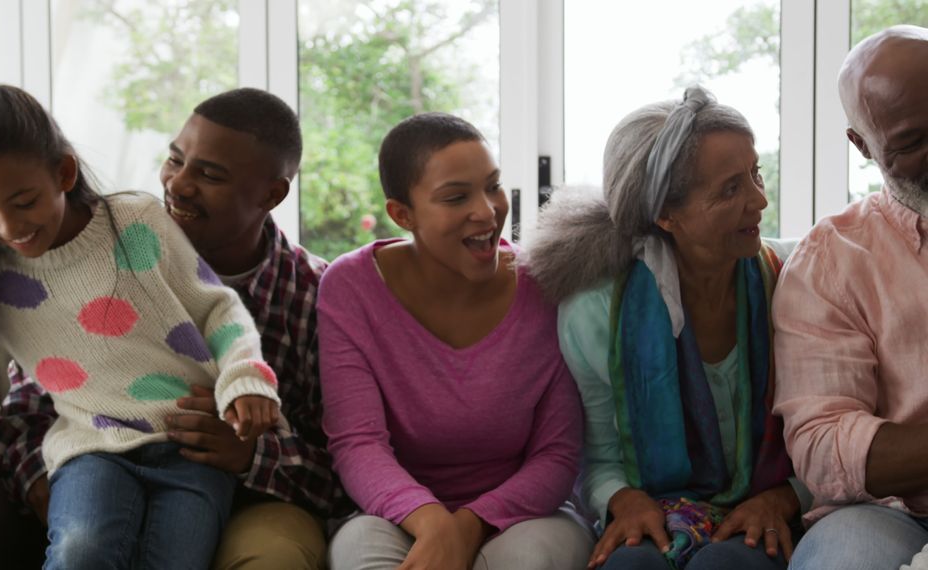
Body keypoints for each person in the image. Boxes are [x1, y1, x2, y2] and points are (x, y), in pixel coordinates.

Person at [0, 67, 281, 569]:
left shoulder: (138, 222)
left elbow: (220, 309)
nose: (10, 226)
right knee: (80, 549)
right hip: (90, 448)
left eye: (24, 202)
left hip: (191, 452)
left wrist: (243, 378)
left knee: (176, 559)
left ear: (63, 174)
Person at [0, 87, 348, 569]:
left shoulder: (318, 297)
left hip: (258, 502)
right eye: (175, 160)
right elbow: (18, 411)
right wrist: (57, 499)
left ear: (271, 194)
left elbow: (349, 465)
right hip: (109, 473)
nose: (178, 184)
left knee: (271, 558)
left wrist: (251, 454)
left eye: (209, 175)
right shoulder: (113, 248)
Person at [526, 86, 812, 570]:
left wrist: (785, 498)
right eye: (730, 188)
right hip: (659, 507)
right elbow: (599, 457)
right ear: (665, 215)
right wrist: (622, 499)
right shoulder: (597, 312)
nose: (760, 199)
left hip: (773, 505)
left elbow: (830, 427)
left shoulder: (796, 279)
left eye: (756, 174)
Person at [319, 112, 592, 570]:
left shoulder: (546, 283)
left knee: (532, 560)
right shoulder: (350, 286)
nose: (487, 211)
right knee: (358, 554)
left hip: (524, 517)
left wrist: (467, 526)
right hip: (397, 515)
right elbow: (357, 442)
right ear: (402, 214)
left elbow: (558, 453)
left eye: (493, 186)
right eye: (456, 197)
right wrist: (431, 524)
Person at [772, 25, 928, 570]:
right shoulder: (831, 260)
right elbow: (823, 444)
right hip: (896, 512)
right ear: (862, 146)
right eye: (912, 142)